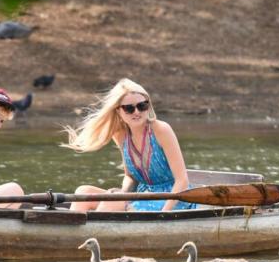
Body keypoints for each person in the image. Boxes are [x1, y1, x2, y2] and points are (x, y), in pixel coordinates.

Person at [63, 78, 196, 213]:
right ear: (118, 111)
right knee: (83, 193)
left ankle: (97, 232)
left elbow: (182, 180)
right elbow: (130, 176)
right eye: (129, 108)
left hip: (173, 199)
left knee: (112, 205)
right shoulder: (120, 135)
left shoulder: (161, 130)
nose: (137, 112)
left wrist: (164, 214)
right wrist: (122, 193)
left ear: (148, 106)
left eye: (142, 106)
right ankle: (76, 233)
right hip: (141, 196)